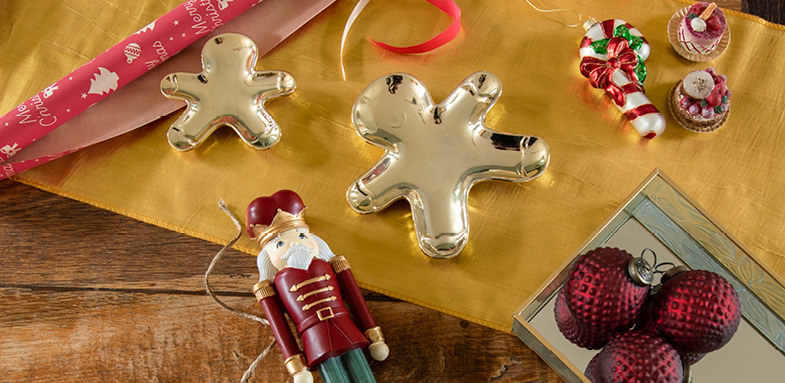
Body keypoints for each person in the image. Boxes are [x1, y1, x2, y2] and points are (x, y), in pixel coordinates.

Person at [246, 190, 389, 383]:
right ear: (267, 256)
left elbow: (355, 298)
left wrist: (374, 335)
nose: (295, 245)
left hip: (345, 326)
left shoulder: (329, 263)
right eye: (280, 243)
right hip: (314, 338)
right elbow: (279, 325)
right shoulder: (276, 282)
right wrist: (295, 363)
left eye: (302, 236)